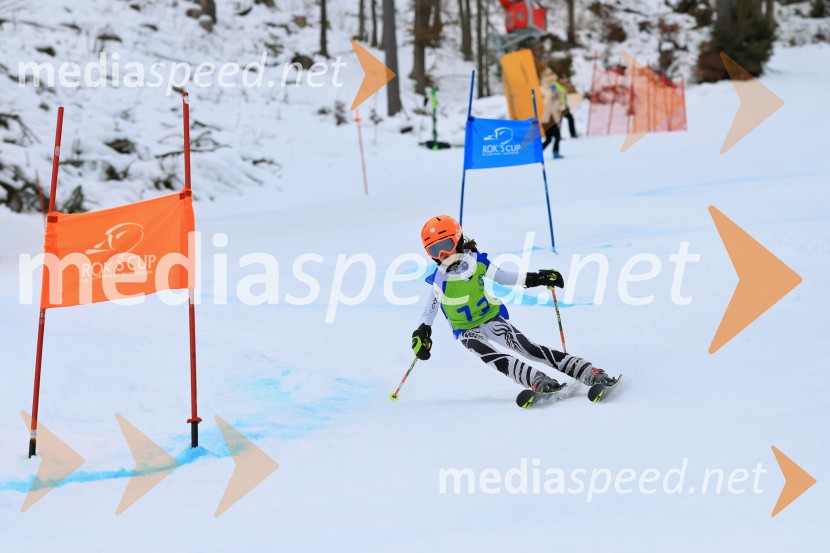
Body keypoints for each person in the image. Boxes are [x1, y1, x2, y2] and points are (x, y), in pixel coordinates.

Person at [411, 215, 616, 394]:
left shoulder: (477, 263)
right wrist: (422, 330)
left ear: (457, 240)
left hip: (491, 318)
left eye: (445, 245)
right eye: (434, 250)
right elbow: (431, 307)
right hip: (465, 331)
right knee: (494, 357)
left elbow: (504, 277)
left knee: (527, 348)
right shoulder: (439, 279)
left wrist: (537, 278)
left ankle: (587, 371)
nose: (442, 254)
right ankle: (536, 381)